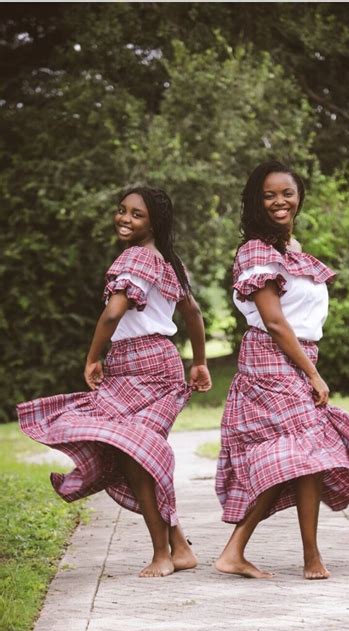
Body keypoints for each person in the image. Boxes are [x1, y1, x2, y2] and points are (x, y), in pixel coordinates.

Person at [215, 161, 349, 580]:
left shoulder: (291, 250)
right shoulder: (256, 253)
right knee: (308, 456)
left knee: (300, 460)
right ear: (255, 202)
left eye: (287, 193)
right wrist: (313, 375)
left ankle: (239, 552)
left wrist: (310, 367)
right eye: (268, 195)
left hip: (297, 358)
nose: (279, 201)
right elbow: (276, 323)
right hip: (270, 362)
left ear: (299, 197)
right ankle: (308, 557)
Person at [17, 186, 212, 578]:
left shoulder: (137, 258)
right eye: (121, 210)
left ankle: (162, 555)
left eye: (136, 214)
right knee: (133, 452)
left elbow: (112, 314)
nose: (124, 218)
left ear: (154, 222)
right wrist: (199, 363)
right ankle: (179, 547)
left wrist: (92, 357)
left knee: (137, 454)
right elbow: (192, 313)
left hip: (143, 366)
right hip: (157, 362)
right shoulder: (169, 262)